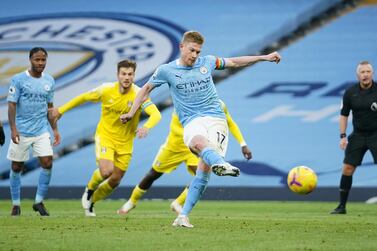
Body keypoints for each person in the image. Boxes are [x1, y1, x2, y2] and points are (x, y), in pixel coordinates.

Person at [119, 31, 281, 227]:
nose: (195, 55)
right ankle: (222, 163)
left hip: (216, 119)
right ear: (182, 47)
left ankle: (183, 216)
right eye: (192, 50)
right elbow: (145, 90)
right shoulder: (167, 70)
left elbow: (236, 62)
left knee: (203, 172)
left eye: (198, 51)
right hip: (192, 120)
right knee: (197, 143)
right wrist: (131, 112)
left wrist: (263, 57)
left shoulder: (208, 62)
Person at [49, 59, 161, 217]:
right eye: (123, 74)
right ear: (118, 75)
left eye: (130, 74)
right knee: (107, 171)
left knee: (115, 180)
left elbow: (156, 114)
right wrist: (61, 110)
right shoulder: (106, 90)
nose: (127, 77)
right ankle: (89, 189)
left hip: (126, 143)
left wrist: (146, 127)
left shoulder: (138, 94)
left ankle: (92, 202)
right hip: (106, 137)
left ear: (134, 75)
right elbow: (84, 97)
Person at [117, 100, 252, 215]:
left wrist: (243, 143)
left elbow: (229, 122)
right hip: (174, 146)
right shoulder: (183, 103)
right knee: (153, 174)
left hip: (195, 147)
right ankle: (132, 201)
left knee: (200, 176)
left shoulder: (218, 104)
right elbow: (177, 128)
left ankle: (178, 203)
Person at [7, 47, 60, 216]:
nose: (40, 63)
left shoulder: (49, 81)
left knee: (47, 163)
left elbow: (50, 108)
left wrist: (55, 129)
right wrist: (13, 128)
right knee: (17, 167)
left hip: (41, 130)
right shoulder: (19, 79)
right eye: (37, 60)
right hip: (22, 131)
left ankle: (38, 202)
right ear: (30, 60)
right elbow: (11, 104)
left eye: (43, 60)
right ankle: (16, 204)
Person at [331, 61, 376, 214]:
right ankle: (342, 206)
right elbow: (344, 115)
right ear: (358, 75)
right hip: (358, 134)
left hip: (376, 134)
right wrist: (343, 136)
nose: (365, 74)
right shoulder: (350, 92)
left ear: (372, 73)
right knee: (347, 168)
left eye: (368, 71)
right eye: (362, 72)